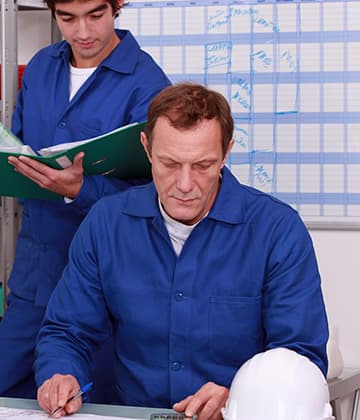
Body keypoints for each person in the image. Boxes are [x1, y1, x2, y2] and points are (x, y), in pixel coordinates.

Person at [35, 82, 329, 419]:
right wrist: (59, 375)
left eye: (203, 165)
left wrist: (237, 398)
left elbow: (300, 360)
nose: (185, 185)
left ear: (227, 152)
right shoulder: (106, 223)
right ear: (146, 148)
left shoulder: (277, 231)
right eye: (170, 164)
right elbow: (67, 331)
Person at [0, 0, 171, 402]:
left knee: (81, 407)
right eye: (67, 18)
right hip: (35, 278)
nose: (82, 31)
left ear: (117, 7)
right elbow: (20, 151)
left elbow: (159, 198)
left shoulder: (148, 83)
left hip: (103, 290)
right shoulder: (42, 67)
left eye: (95, 15)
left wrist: (83, 190)